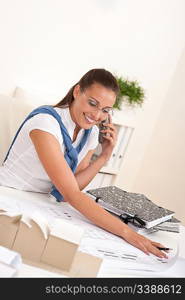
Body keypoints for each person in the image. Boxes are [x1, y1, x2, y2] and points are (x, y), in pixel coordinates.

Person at [0, 68, 167, 258]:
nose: (97, 116)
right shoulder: (45, 124)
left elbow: (72, 188)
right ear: (77, 91)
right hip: (10, 197)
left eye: (105, 110)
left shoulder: (91, 133)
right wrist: (128, 233)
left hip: (42, 203)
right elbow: (70, 194)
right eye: (92, 103)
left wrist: (104, 156)